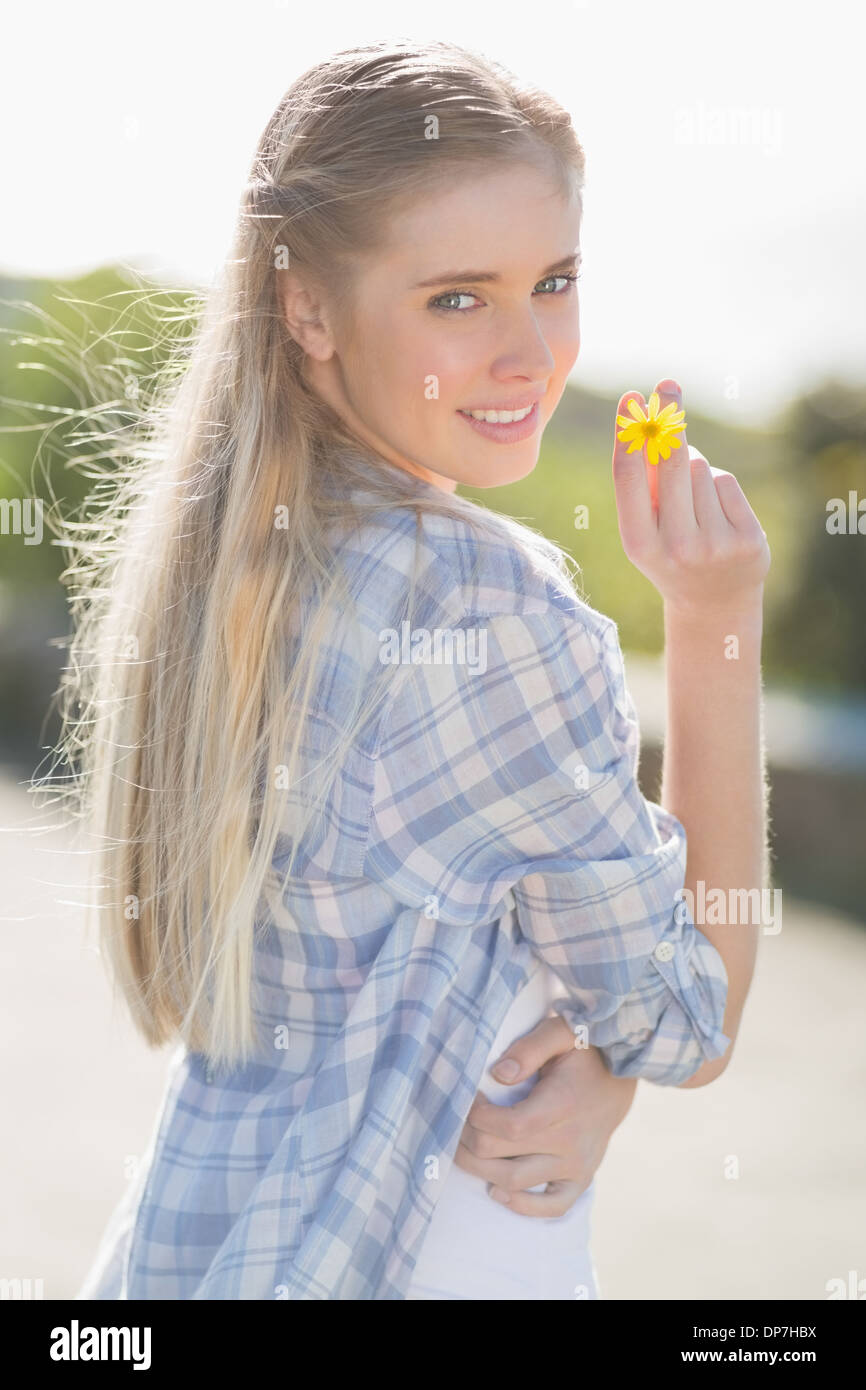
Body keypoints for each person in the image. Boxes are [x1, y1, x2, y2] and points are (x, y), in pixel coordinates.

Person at [66, 38, 769, 1301]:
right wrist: (714, 623)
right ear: (309, 311)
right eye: (457, 297)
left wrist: (590, 1067)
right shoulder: (485, 604)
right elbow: (685, 1017)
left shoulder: (231, 554)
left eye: (552, 280)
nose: (528, 355)